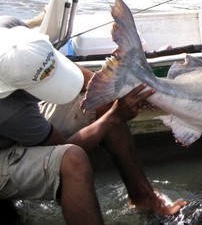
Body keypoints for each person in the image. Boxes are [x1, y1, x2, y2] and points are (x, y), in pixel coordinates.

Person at [0, 17, 186, 224]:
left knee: (102, 102)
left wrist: (117, 92)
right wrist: (114, 116)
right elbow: (60, 148)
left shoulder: (11, 31)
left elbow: (72, 73)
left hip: (19, 119)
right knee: (72, 161)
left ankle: (143, 197)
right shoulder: (10, 110)